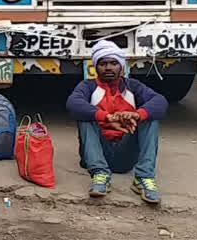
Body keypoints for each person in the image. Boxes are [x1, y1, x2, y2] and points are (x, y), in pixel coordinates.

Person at [66, 40, 168, 204]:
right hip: (97, 152)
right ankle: (100, 175)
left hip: (125, 155)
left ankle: (144, 178)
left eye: (114, 63)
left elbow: (160, 101)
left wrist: (137, 115)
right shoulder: (88, 86)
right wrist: (106, 117)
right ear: (95, 67)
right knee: (84, 116)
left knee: (150, 117)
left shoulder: (133, 86)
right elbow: (73, 103)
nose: (108, 68)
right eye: (103, 63)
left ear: (121, 67)